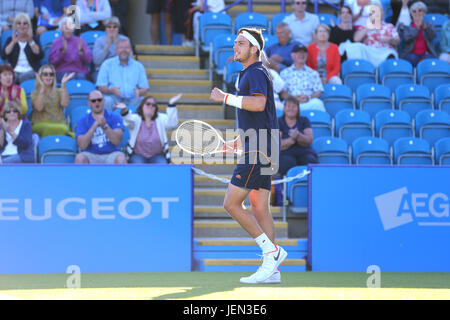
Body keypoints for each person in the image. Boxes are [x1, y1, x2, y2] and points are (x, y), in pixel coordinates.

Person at [209, 28, 287, 284]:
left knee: (231, 204)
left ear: (255, 49)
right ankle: (272, 271)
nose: (235, 47)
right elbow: (258, 116)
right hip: (263, 145)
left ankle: (271, 252)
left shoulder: (254, 72)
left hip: (260, 147)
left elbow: (258, 104)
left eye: (241, 43)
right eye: (235, 43)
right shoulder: (252, 73)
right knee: (260, 207)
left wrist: (226, 98)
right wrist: (238, 141)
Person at [116, 93, 181, 163]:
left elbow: (173, 124)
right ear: (142, 106)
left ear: (155, 109)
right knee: (138, 167)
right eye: (148, 104)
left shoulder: (161, 118)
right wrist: (124, 109)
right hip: (138, 155)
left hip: (158, 155)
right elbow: (128, 121)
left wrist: (171, 104)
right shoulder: (136, 118)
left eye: (153, 105)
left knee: (162, 167)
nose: (151, 106)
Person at [96, 38, 149, 111]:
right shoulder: (107, 64)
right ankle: (107, 122)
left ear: (130, 50)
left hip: (132, 99)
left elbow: (145, 88)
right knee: (106, 101)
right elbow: (100, 87)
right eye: (121, 48)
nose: (124, 50)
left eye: (126, 48)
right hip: (114, 99)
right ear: (116, 50)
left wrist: (139, 92)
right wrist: (111, 90)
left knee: (144, 101)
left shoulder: (138, 66)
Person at [74, 89, 127, 164]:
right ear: (89, 103)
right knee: (80, 158)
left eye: (99, 100)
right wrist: (94, 127)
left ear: (104, 101)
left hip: (111, 153)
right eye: (93, 101)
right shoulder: (83, 120)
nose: (97, 103)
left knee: (121, 158)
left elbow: (117, 141)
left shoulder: (115, 117)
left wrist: (104, 126)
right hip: (91, 154)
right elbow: (82, 145)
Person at [30, 64, 74, 138]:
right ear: (40, 77)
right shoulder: (35, 93)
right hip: (40, 123)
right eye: (45, 74)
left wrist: (63, 86)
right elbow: (38, 108)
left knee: (63, 128)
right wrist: (42, 90)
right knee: (50, 128)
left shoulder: (59, 91)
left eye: (51, 74)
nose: (49, 77)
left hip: (58, 123)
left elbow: (65, 104)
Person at [278, 96, 318, 177]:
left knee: (311, 161)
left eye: (294, 106)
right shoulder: (279, 121)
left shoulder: (304, 120)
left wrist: (298, 136)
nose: (291, 109)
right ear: (284, 108)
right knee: (287, 163)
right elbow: (277, 144)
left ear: (298, 109)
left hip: (304, 152)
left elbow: (309, 140)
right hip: (286, 153)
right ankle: (288, 188)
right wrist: (291, 140)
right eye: (288, 106)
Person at [280, 44, 325, 112]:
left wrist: (308, 97)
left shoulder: (313, 73)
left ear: (307, 56)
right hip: (291, 103)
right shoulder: (284, 73)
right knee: (280, 106)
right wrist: (293, 98)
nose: (302, 55)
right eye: (299, 52)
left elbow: (319, 91)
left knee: (318, 103)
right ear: (292, 55)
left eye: (304, 53)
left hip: (308, 102)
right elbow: (282, 92)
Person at [1, 13, 44, 84]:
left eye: (25, 23)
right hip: (14, 70)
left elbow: (40, 55)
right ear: (15, 26)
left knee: (21, 78)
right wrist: (13, 42)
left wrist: (30, 41)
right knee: (9, 77)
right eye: (19, 23)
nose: (22, 26)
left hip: (31, 70)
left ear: (29, 26)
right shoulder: (10, 39)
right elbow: (4, 55)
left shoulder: (34, 39)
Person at [49, 17, 93, 82]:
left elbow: (88, 59)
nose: (67, 26)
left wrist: (81, 52)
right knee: (69, 78)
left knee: (81, 78)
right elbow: (52, 62)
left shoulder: (80, 41)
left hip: (79, 71)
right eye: (65, 24)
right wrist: (61, 52)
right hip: (62, 71)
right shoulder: (56, 42)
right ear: (61, 28)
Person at [397, 1, 438, 67]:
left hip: (426, 54)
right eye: (414, 11)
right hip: (410, 53)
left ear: (424, 13)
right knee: (412, 58)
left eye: (420, 10)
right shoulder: (407, 25)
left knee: (430, 59)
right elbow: (406, 38)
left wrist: (424, 26)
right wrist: (417, 28)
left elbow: (433, 36)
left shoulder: (428, 25)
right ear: (411, 14)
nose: (417, 13)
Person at [92, 16, 129, 81]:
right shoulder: (99, 41)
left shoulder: (125, 40)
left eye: (115, 27)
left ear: (118, 28)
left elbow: (128, 59)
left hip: (121, 69)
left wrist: (116, 44)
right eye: (109, 27)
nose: (112, 29)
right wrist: (107, 45)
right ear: (105, 29)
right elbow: (97, 61)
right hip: (102, 70)